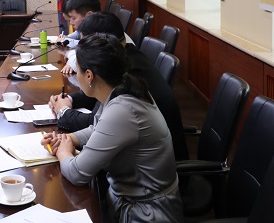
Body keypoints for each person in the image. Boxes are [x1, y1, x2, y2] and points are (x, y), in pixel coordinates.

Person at [42, 34, 183, 222]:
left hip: (147, 213)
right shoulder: (121, 87)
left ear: (89, 75)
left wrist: (63, 151)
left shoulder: (123, 110)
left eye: (77, 69)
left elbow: (77, 174)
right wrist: (68, 139)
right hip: (128, 199)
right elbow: (98, 128)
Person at [49, 12, 188, 160]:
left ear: (99, 44)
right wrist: (69, 99)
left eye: (85, 45)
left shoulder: (127, 71)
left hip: (158, 161)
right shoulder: (125, 56)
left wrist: (63, 111)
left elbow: (99, 123)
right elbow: (97, 91)